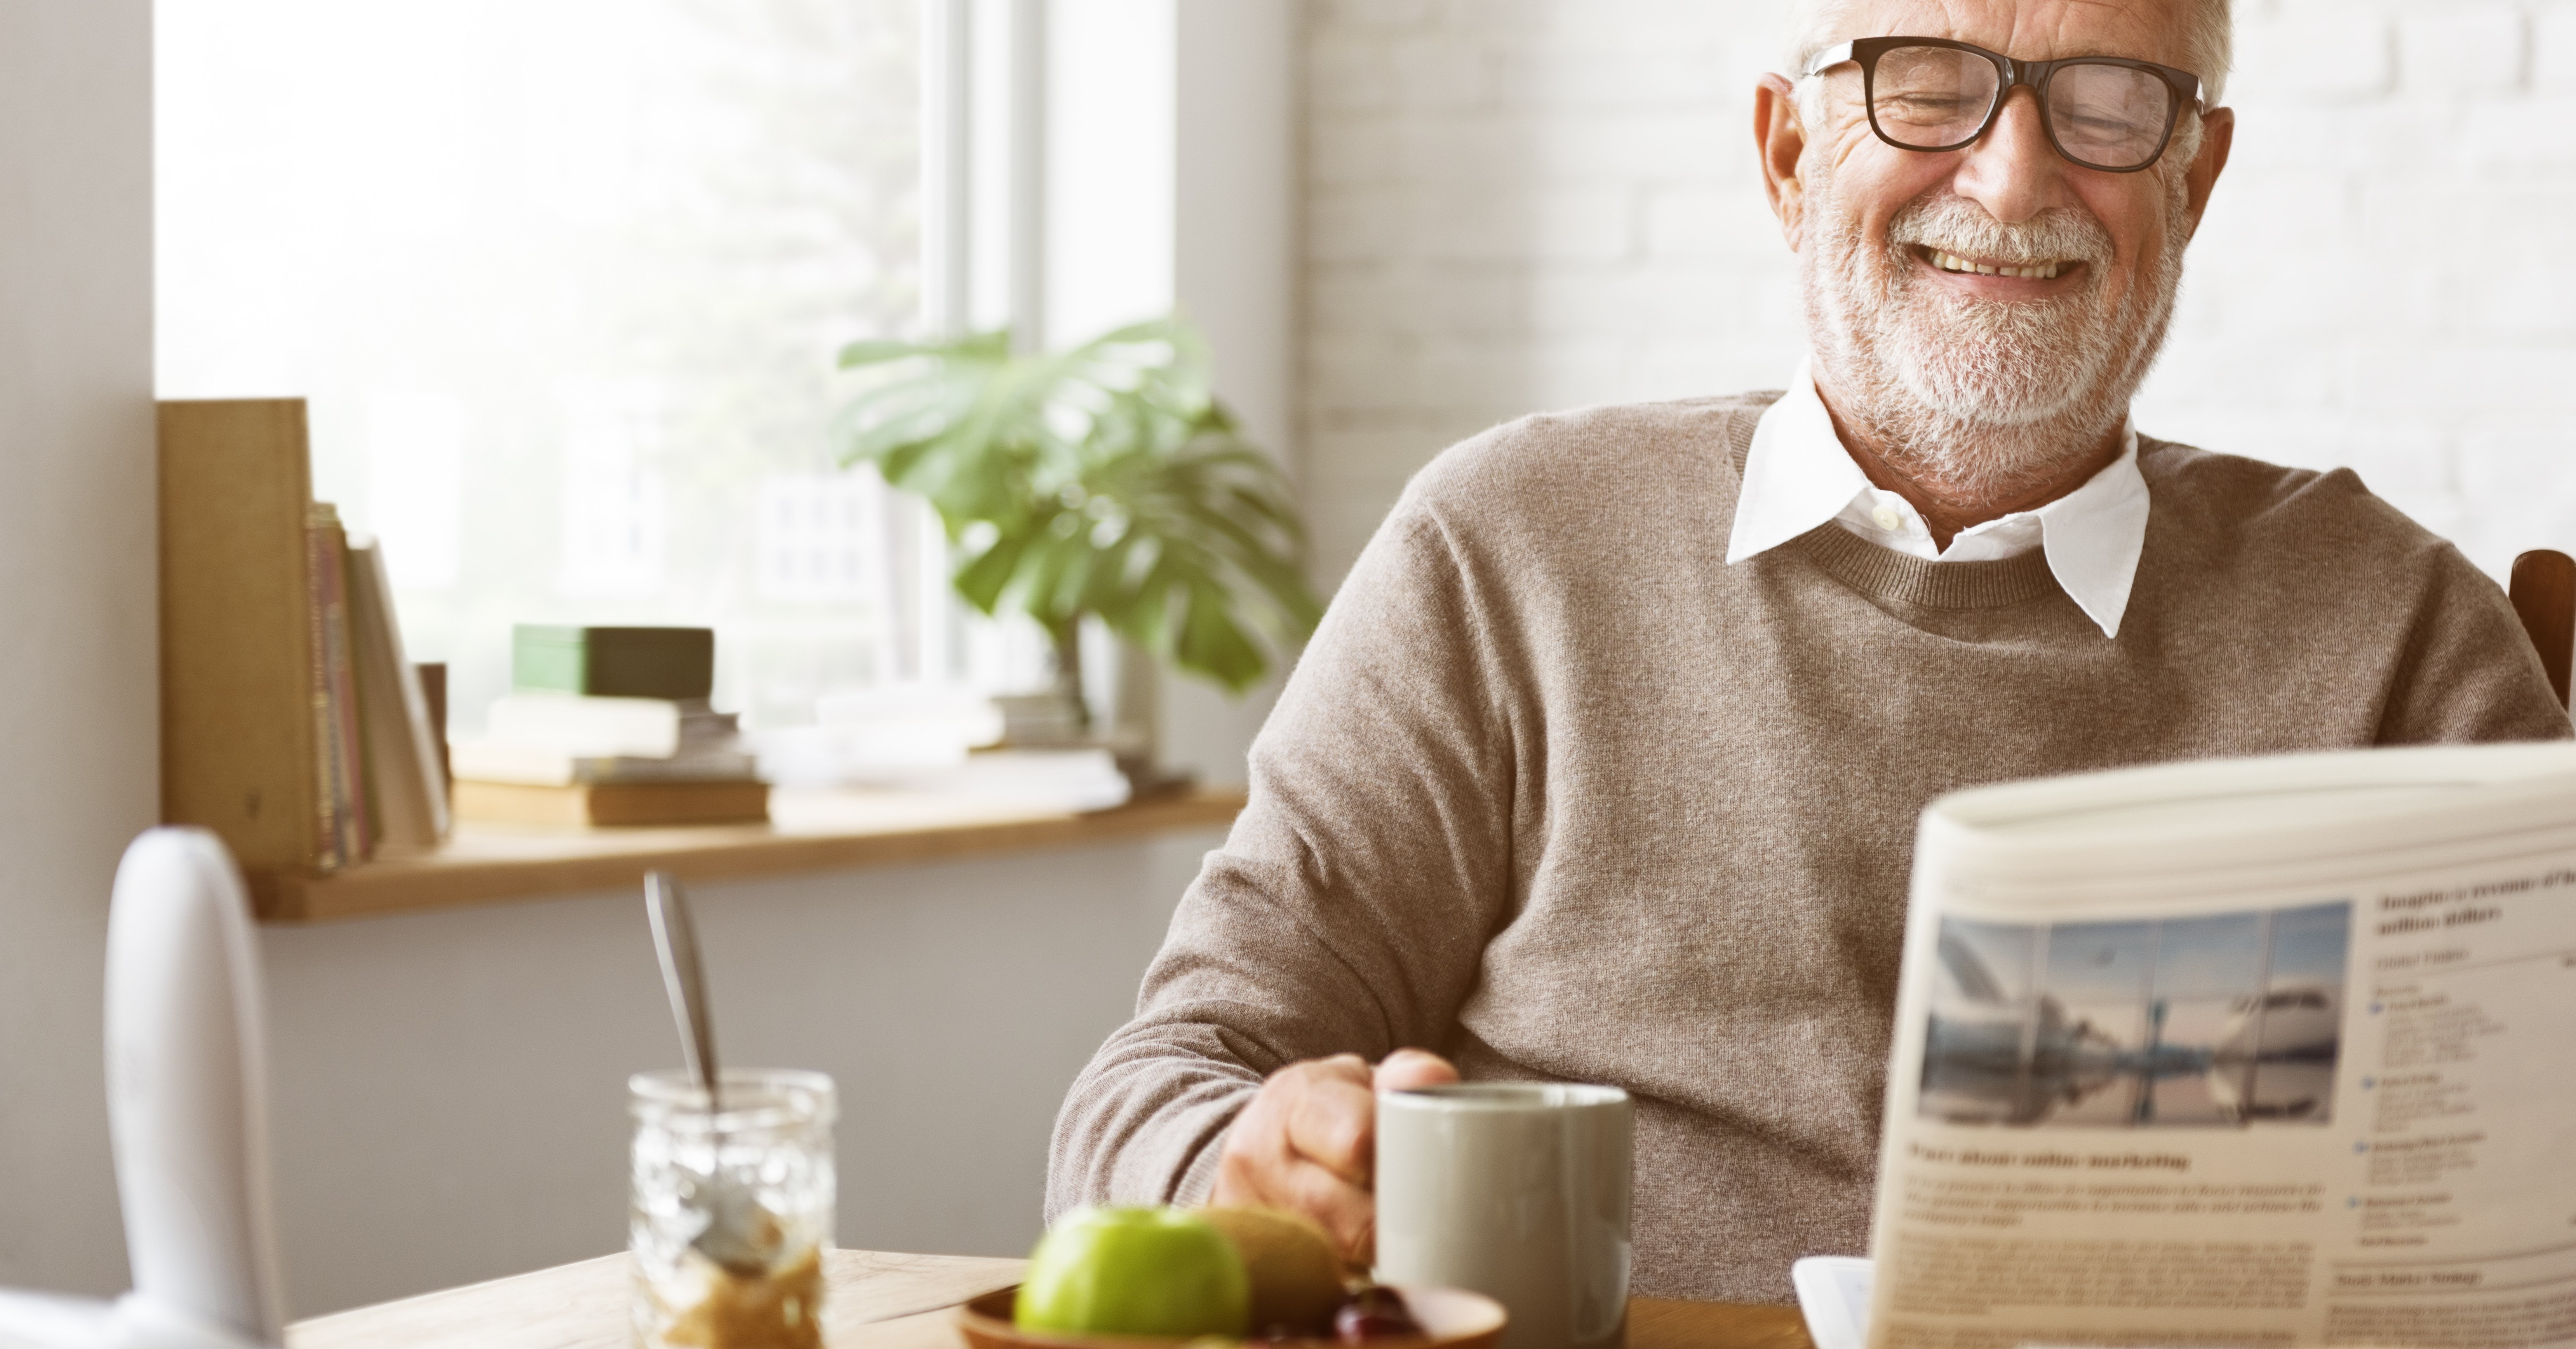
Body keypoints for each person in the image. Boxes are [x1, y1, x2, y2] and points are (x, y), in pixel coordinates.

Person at [1046, 0, 2572, 1305]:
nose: (2010, 172)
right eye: (1923, 83)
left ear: (2195, 176)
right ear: (1787, 152)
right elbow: (1153, 1088)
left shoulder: (2396, 631)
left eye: (2112, 102)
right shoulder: (1505, 548)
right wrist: (1246, 1158)